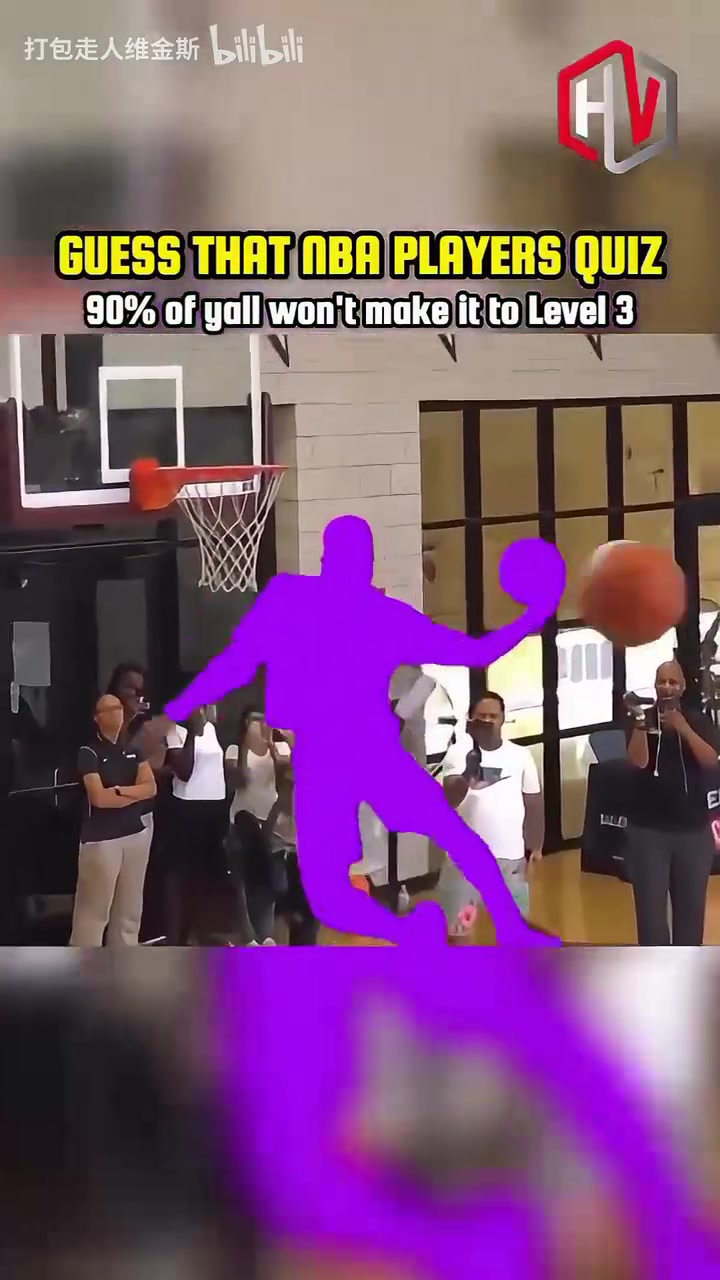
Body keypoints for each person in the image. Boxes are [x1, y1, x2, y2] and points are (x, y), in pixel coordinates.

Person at [155, 517, 564, 946]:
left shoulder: (306, 600)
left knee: (405, 858)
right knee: (427, 847)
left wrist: (173, 712)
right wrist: (532, 615)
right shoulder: (322, 605)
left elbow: (234, 664)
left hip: (348, 756)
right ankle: (429, 931)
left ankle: (482, 928)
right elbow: (477, 652)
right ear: (351, 562)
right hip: (349, 755)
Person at [624, 659, 720, 945]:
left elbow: (711, 761)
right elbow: (637, 762)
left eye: (672, 682)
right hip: (648, 831)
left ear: (683, 686)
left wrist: (683, 728)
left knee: (691, 913)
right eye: (661, 681)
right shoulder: (642, 719)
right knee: (650, 915)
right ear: (654, 685)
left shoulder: (697, 719)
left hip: (692, 832)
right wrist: (641, 725)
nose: (666, 687)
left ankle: (687, 967)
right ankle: (656, 968)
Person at [439, 693, 544, 938]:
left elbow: (533, 802)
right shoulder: (457, 753)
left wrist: (536, 846)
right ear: (470, 719)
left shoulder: (521, 755)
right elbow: (450, 798)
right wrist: (469, 771)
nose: (487, 721)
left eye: (493, 716)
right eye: (481, 716)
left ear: (503, 718)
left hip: (511, 860)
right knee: (458, 935)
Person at [70, 694, 156, 946]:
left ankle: (123, 964)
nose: (115, 713)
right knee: (93, 914)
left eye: (118, 708)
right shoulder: (89, 752)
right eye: (108, 710)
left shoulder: (134, 750)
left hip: (134, 834)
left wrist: (120, 792)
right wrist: (134, 793)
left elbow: (150, 787)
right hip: (101, 839)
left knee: (129, 912)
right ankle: (83, 965)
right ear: (96, 718)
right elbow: (98, 797)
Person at [224, 708, 291, 946]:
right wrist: (245, 747)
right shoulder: (234, 749)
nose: (259, 724)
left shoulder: (281, 747)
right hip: (242, 819)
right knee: (242, 878)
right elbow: (239, 781)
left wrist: (271, 745)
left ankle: (267, 935)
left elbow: (285, 778)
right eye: (254, 720)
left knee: (268, 879)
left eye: (263, 719)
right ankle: (248, 935)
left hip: (271, 820)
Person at [165, 704, 229, 945]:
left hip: (214, 806)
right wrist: (193, 731)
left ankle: (195, 933)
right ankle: (174, 937)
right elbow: (184, 771)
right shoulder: (175, 730)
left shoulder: (213, 729)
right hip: (187, 807)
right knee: (179, 873)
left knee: (203, 875)